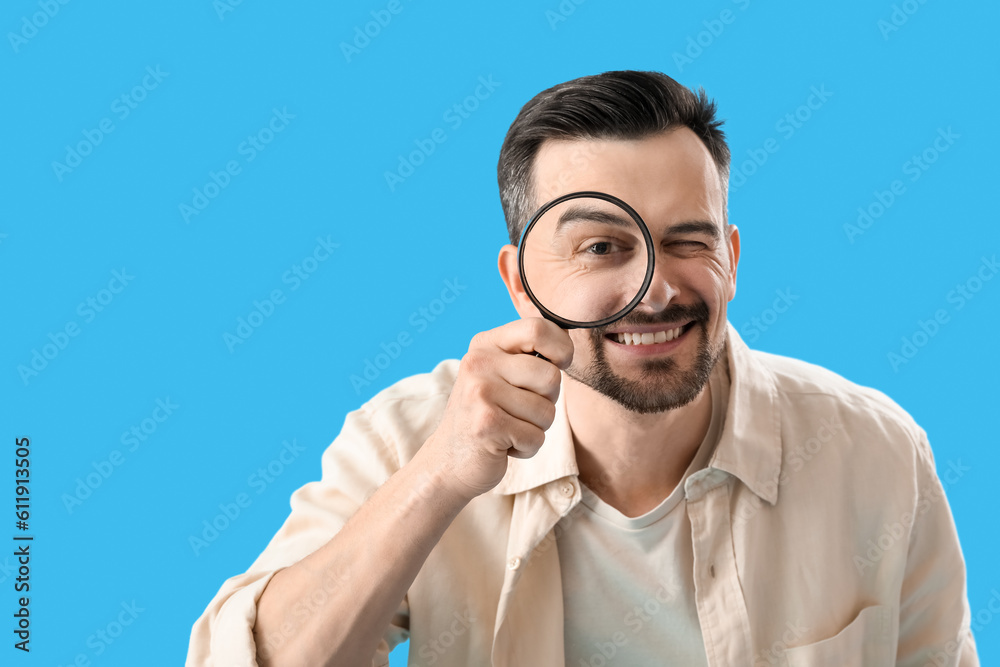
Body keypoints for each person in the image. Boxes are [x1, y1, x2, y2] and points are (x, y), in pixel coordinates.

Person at [186, 70, 978, 666]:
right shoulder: (409, 438)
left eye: (688, 240)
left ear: (731, 259)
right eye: (603, 246)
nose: (658, 287)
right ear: (521, 279)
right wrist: (438, 480)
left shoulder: (875, 453)